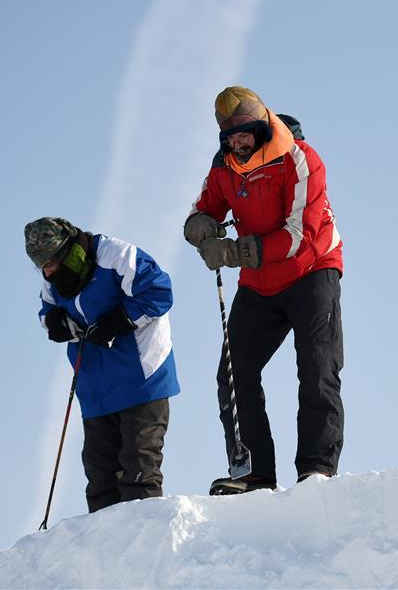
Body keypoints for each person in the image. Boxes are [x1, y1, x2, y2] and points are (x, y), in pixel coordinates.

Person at [183, 86, 345, 495]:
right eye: (229, 138)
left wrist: (237, 251)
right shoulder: (225, 166)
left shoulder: (300, 159)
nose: (237, 145)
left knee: (316, 367)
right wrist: (201, 224)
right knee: (234, 375)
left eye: (244, 136)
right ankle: (253, 474)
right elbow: (206, 205)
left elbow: (299, 237)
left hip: (312, 272)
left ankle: (316, 469)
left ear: (261, 129)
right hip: (259, 284)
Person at [25, 217, 181, 512]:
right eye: (40, 265)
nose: (47, 271)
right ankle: (105, 552)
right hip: (95, 390)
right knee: (100, 482)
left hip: (141, 380)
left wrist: (117, 321)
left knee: (138, 470)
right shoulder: (52, 280)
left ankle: (144, 546)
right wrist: (56, 324)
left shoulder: (116, 256)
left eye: (51, 263)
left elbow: (159, 292)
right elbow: (46, 314)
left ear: (69, 250)